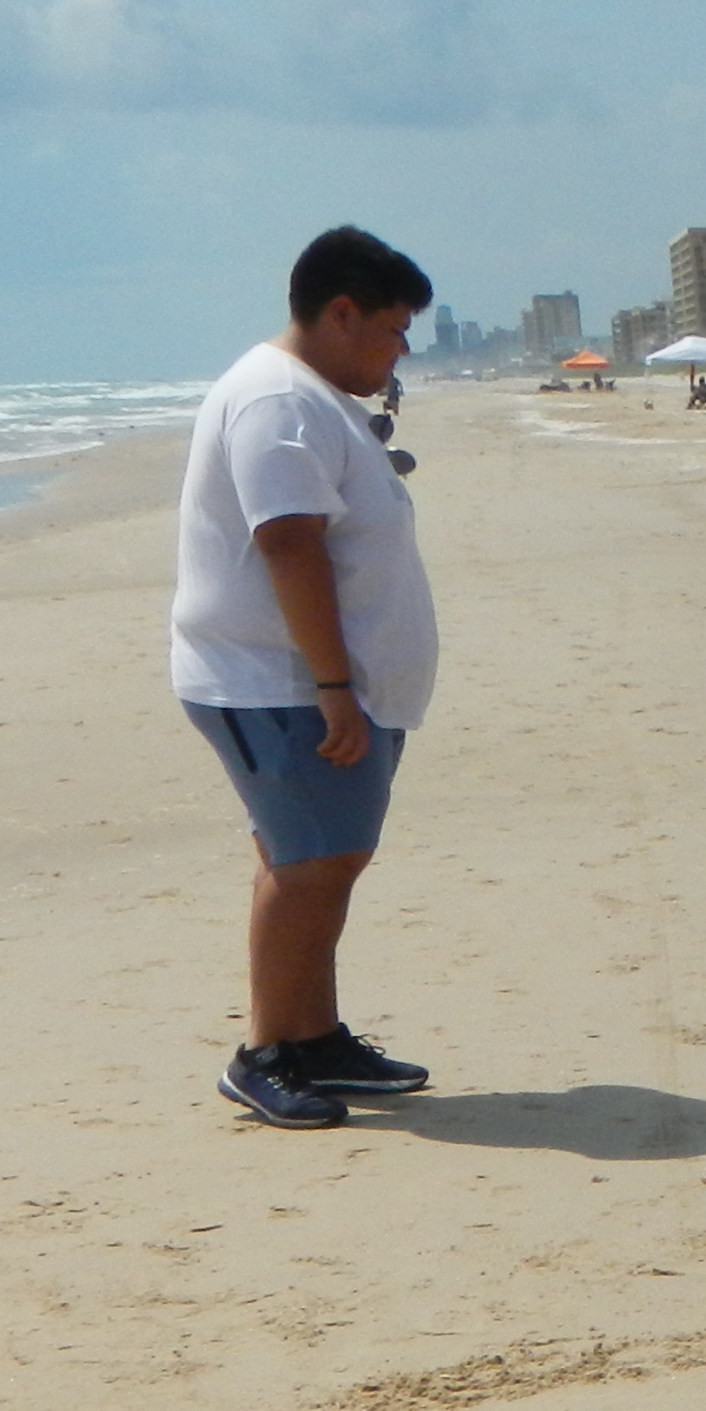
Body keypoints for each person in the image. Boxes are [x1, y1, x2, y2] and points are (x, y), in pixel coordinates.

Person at [168, 225, 439, 1128]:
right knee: (313, 862)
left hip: (307, 684)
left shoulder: (307, 396)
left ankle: (313, 1035)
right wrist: (332, 686)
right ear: (341, 312)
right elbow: (286, 542)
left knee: (320, 858)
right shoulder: (276, 400)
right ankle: (266, 1052)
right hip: (275, 683)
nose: (401, 349)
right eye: (395, 329)